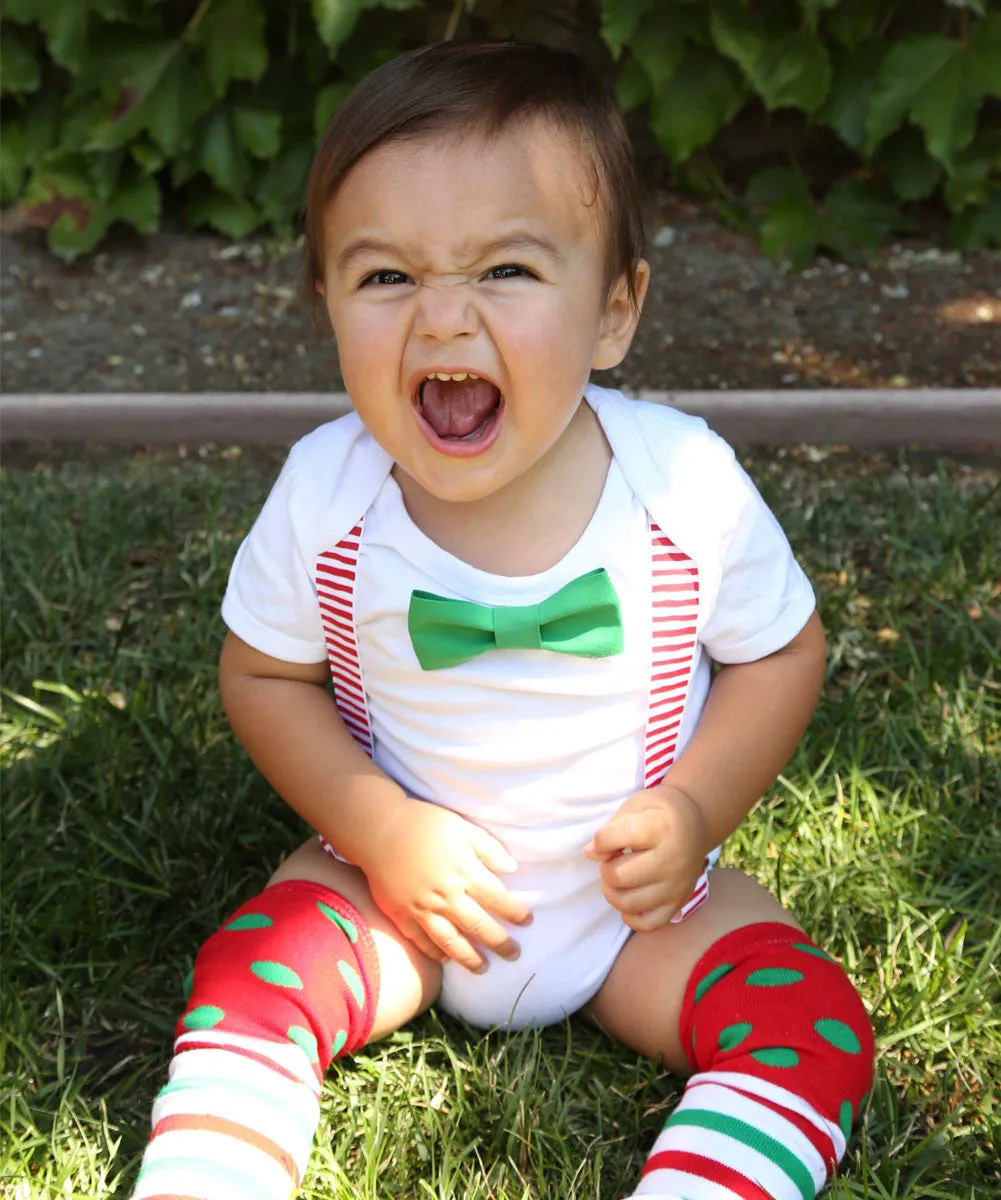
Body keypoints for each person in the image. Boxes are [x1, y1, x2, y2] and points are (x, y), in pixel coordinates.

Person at [131, 40, 874, 1200]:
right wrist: (380, 830)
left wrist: (692, 807)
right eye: (384, 278)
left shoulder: (679, 489)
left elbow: (778, 656)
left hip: (634, 910)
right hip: (394, 889)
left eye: (506, 272)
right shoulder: (327, 500)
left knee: (807, 1019)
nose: (441, 320)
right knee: (252, 968)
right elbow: (263, 680)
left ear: (614, 311)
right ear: (324, 299)